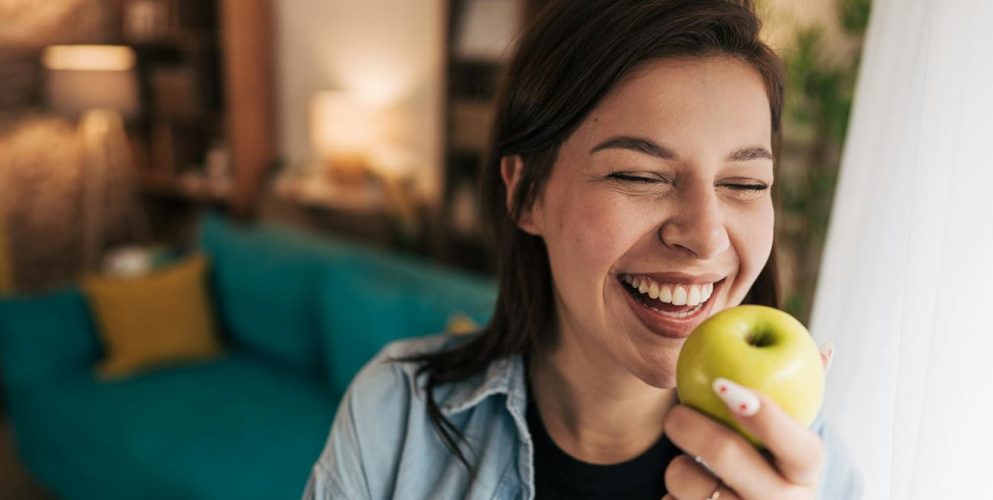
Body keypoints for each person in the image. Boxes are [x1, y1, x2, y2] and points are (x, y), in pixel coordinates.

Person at [304, 0, 860, 498]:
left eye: (745, 184)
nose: (707, 235)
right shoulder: (396, 412)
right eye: (640, 176)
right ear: (526, 194)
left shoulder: (810, 478)